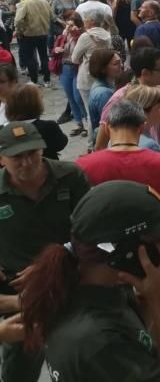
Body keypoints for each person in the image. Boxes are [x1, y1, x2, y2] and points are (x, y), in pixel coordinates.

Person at [21, 181, 160, 382]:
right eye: (158, 240)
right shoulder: (97, 340)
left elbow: (138, 337)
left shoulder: (101, 286)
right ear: (124, 252)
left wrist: (149, 297)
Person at [0, 121, 91, 382]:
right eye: (17, 157)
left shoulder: (70, 177)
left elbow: (92, 228)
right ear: (1, 158)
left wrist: (58, 259)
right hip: (19, 293)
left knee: (79, 357)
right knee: (20, 363)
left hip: (70, 282)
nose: (26, 163)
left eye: (32, 153)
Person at [4, 83, 68, 160]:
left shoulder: (4, 131)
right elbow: (60, 144)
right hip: (47, 168)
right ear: (36, 104)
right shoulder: (48, 127)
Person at [14, 0, 52, 87]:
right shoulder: (45, 2)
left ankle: (34, 80)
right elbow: (51, 16)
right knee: (44, 56)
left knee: (30, 57)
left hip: (29, 34)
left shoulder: (24, 2)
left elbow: (18, 20)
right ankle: (47, 79)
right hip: (43, 33)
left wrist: (18, 31)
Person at [56, 14, 87, 136]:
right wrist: (57, 49)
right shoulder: (64, 35)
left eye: (72, 25)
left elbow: (79, 53)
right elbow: (55, 48)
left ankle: (87, 123)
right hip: (65, 67)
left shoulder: (82, 36)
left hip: (77, 68)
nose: (69, 27)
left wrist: (75, 35)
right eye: (67, 24)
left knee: (78, 97)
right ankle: (79, 123)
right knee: (70, 97)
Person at [86, 48, 122, 144]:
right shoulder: (104, 93)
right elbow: (112, 124)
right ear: (103, 68)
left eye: (120, 62)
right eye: (116, 64)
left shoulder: (106, 84)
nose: (121, 66)